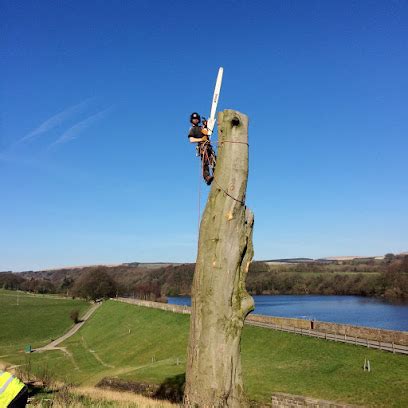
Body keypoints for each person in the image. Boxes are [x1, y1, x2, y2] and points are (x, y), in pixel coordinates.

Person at [188, 112, 216, 185]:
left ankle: (216, 173)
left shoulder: (201, 128)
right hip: (203, 147)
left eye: (197, 119)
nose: (196, 120)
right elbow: (191, 140)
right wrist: (201, 139)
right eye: (194, 119)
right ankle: (207, 177)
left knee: (214, 160)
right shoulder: (192, 129)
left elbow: (208, 132)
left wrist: (206, 125)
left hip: (209, 147)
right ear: (192, 120)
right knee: (205, 162)